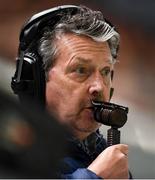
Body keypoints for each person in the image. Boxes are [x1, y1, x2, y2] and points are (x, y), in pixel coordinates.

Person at [11, 4, 131, 179]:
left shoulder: (104, 156)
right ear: (36, 81)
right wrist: (94, 177)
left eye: (105, 72)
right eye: (81, 70)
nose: (98, 86)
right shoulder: (12, 155)